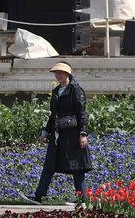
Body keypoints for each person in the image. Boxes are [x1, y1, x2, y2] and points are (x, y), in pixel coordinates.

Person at [29, 61, 92, 206]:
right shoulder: (56, 91)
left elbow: (82, 113)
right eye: (56, 73)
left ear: (67, 74)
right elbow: (53, 115)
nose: (58, 75)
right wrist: (45, 131)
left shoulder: (75, 90)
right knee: (49, 165)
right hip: (58, 134)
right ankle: (38, 196)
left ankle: (81, 198)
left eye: (61, 73)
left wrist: (83, 133)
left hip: (72, 133)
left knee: (77, 167)